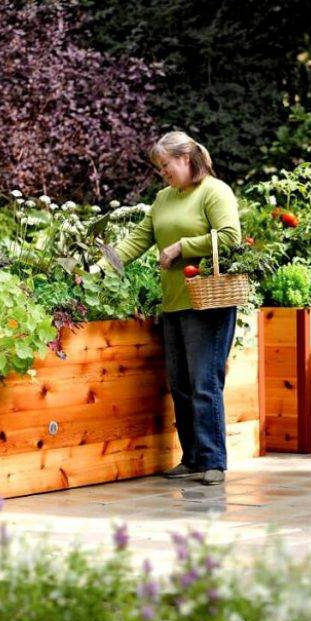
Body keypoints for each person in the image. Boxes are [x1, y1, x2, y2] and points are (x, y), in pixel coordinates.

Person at [105, 131, 240, 486]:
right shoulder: (163, 198)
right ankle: (193, 458)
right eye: (159, 167)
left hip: (207, 302)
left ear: (185, 158)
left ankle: (213, 461)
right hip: (175, 301)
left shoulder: (214, 191)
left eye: (166, 165)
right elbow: (138, 239)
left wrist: (182, 247)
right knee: (180, 384)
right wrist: (100, 267)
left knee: (204, 382)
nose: (162, 172)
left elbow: (230, 237)